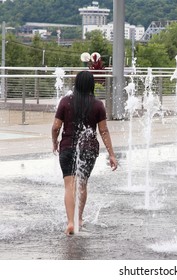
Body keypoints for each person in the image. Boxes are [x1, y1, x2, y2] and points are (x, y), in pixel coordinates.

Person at [51, 71, 118, 236]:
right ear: (91, 85)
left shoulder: (65, 102)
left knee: (69, 185)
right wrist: (112, 154)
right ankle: (79, 219)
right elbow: (103, 131)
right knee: (82, 184)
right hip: (88, 149)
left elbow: (55, 127)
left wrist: (55, 141)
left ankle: (70, 222)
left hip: (67, 147)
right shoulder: (97, 105)